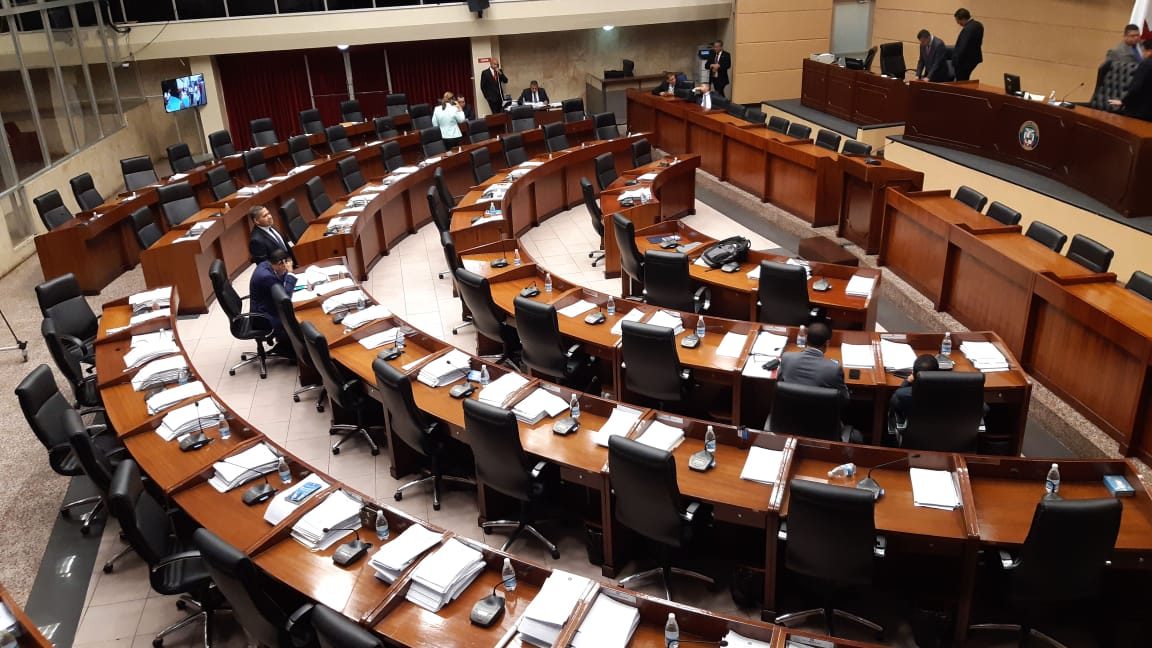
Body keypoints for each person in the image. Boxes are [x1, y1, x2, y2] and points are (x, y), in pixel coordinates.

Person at [774, 321, 860, 442]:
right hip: (823, 429)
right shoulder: (833, 369)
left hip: (788, 424)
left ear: (806, 339)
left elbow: (780, 383)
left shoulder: (787, 358)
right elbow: (844, 400)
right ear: (827, 343)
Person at [249, 248, 297, 358]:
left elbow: (279, 280)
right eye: (285, 265)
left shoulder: (266, 264)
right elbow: (285, 298)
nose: (286, 268)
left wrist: (286, 273)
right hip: (263, 317)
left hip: (264, 306)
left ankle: (285, 343)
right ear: (281, 263)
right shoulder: (266, 277)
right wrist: (290, 273)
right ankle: (290, 350)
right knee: (295, 319)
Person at [888, 354, 939, 428]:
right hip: (942, 434)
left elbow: (893, 402)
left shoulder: (902, 394)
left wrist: (907, 381)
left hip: (911, 434)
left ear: (913, 374)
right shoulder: (950, 392)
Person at [1110, 40, 1152, 120]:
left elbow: (1135, 88)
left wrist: (1123, 101)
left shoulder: (1146, 64)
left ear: (1149, 51)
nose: (1143, 54)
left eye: (1143, 51)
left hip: (1140, 113)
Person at [952, 8, 984, 81]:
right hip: (974, 59)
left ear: (963, 19)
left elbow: (963, 47)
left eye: (958, 21)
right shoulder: (978, 25)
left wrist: (955, 61)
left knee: (961, 81)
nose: (958, 23)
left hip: (964, 61)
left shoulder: (968, 29)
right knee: (965, 79)